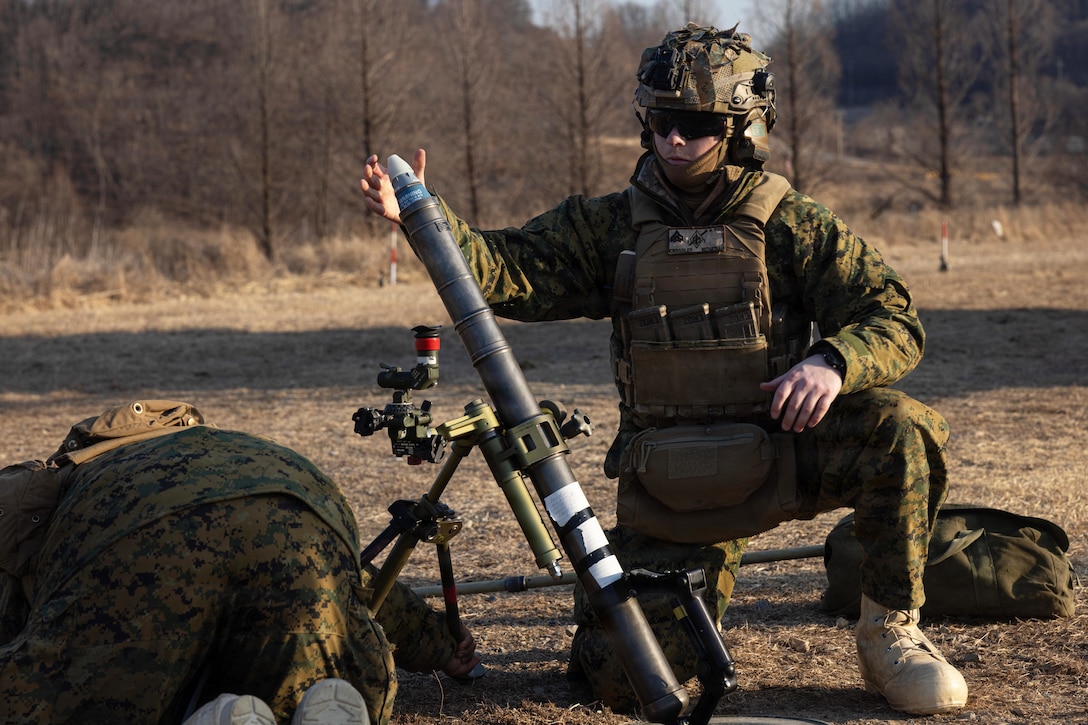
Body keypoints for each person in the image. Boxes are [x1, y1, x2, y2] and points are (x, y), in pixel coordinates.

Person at [359, 23, 968, 717]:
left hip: (781, 454)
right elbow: (504, 269)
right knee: (625, 678)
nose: (673, 140)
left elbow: (894, 318)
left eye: (695, 124)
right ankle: (622, 606)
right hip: (675, 488)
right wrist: (422, 220)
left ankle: (890, 631)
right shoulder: (612, 227)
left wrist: (833, 362)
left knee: (901, 429)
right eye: (660, 121)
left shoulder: (792, 224)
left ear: (743, 128)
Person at [0, 400, 480, 724]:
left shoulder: (70, 479)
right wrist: (440, 643)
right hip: (300, 503)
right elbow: (356, 580)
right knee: (318, 662)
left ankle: (217, 712)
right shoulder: (228, 449)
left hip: (142, 540)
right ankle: (315, 695)